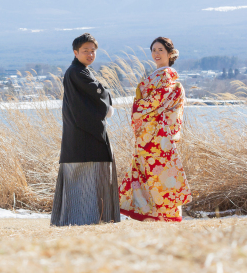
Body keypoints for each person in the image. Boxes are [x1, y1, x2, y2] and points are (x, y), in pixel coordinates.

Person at [50, 33, 121, 226]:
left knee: (81, 180)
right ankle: (85, 219)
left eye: (93, 51)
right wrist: (106, 108)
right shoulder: (77, 72)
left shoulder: (79, 71)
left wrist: (103, 102)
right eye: (85, 51)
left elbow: (94, 94)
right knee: (86, 179)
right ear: (75, 52)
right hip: (84, 136)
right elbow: (97, 93)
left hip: (79, 136)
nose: (90, 54)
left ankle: (79, 218)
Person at [119, 36, 192, 222]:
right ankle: (155, 213)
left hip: (158, 135)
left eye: (161, 50)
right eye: (154, 50)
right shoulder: (157, 75)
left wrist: (138, 108)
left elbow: (156, 102)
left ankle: (164, 213)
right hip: (151, 134)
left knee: (160, 174)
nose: (156, 53)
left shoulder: (167, 75)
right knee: (155, 174)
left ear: (170, 53)